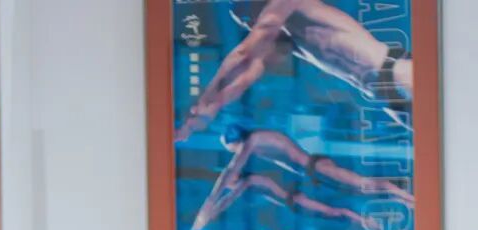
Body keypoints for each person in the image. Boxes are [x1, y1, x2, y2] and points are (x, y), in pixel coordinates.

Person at [175, 0, 414, 142]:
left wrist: (208, 92)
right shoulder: (290, 37)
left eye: (245, 15)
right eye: (242, 20)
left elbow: (244, 52)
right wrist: (212, 106)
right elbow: (250, 71)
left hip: (396, 72)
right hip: (385, 96)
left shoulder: (286, 4)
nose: (247, 23)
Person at [191, 124, 411, 230]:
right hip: (308, 174)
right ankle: (396, 202)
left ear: (235, 142)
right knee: (345, 200)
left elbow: (231, 170)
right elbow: (231, 187)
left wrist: (207, 207)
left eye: (233, 150)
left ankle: (405, 196)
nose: (236, 154)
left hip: (314, 167)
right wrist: (212, 211)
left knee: (361, 184)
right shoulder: (254, 151)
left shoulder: (253, 141)